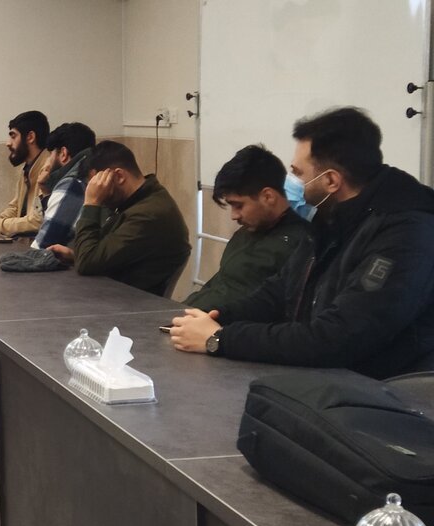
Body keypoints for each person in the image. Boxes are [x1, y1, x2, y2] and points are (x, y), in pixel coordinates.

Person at [171, 107, 434, 379]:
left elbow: (338, 337)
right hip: (330, 380)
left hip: (385, 390)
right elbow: (278, 292)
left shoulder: (407, 234)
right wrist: (213, 317)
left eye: (298, 173)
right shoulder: (332, 218)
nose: (291, 183)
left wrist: (221, 339)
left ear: (331, 180)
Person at [47, 140, 190, 296]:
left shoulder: (148, 215)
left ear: (119, 176)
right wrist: (75, 255)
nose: (96, 191)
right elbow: (103, 254)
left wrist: (91, 203)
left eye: (98, 184)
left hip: (131, 303)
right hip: (114, 294)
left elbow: (87, 263)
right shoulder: (137, 202)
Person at [182, 145, 309, 311]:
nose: (234, 216)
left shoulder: (301, 245)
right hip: (191, 315)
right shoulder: (247, 231)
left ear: (268, 197)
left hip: (221, 324)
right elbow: (220, 285)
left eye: (238, 205)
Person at [0, 111, 51, 237]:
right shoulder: (27, 169)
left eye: (13, 136)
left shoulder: (48, 169)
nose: (8, 143)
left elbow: (37, 222)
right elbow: (15, 208)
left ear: (30, 137)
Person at [31, 122, 96, 250]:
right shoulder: (85, 176)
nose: (48, 161)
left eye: (51, 154)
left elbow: (42, 248)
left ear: (63, 154)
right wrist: (46, 191)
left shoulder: (72, 184)